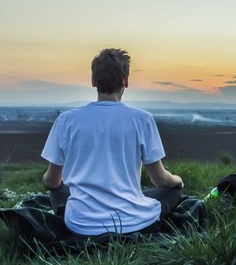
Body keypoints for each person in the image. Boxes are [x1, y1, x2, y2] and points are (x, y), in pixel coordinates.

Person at [41, 48, 184, 236]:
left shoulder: (66, 120)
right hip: (133, 222)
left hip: (81, 224)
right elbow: (159, 179)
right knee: (172, 191)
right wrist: (178, 181)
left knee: (57, 189)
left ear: (93, 81)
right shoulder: (142, 119)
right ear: (126, 81)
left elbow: (51, 182)